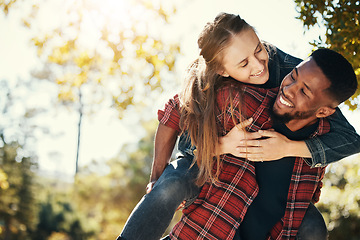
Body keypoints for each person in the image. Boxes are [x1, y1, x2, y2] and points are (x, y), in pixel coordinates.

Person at [117, 13, 360, 240]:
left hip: (262, 206)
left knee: (314, 225)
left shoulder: (286, 69)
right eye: (244, 64)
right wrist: (158, 175)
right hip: (206, 163)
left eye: (258, 51)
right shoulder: (222, 87)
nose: (257, 66)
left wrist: (288, 148)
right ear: (222, 70)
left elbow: (351, 139)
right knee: (171, 184)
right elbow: (176, 114)